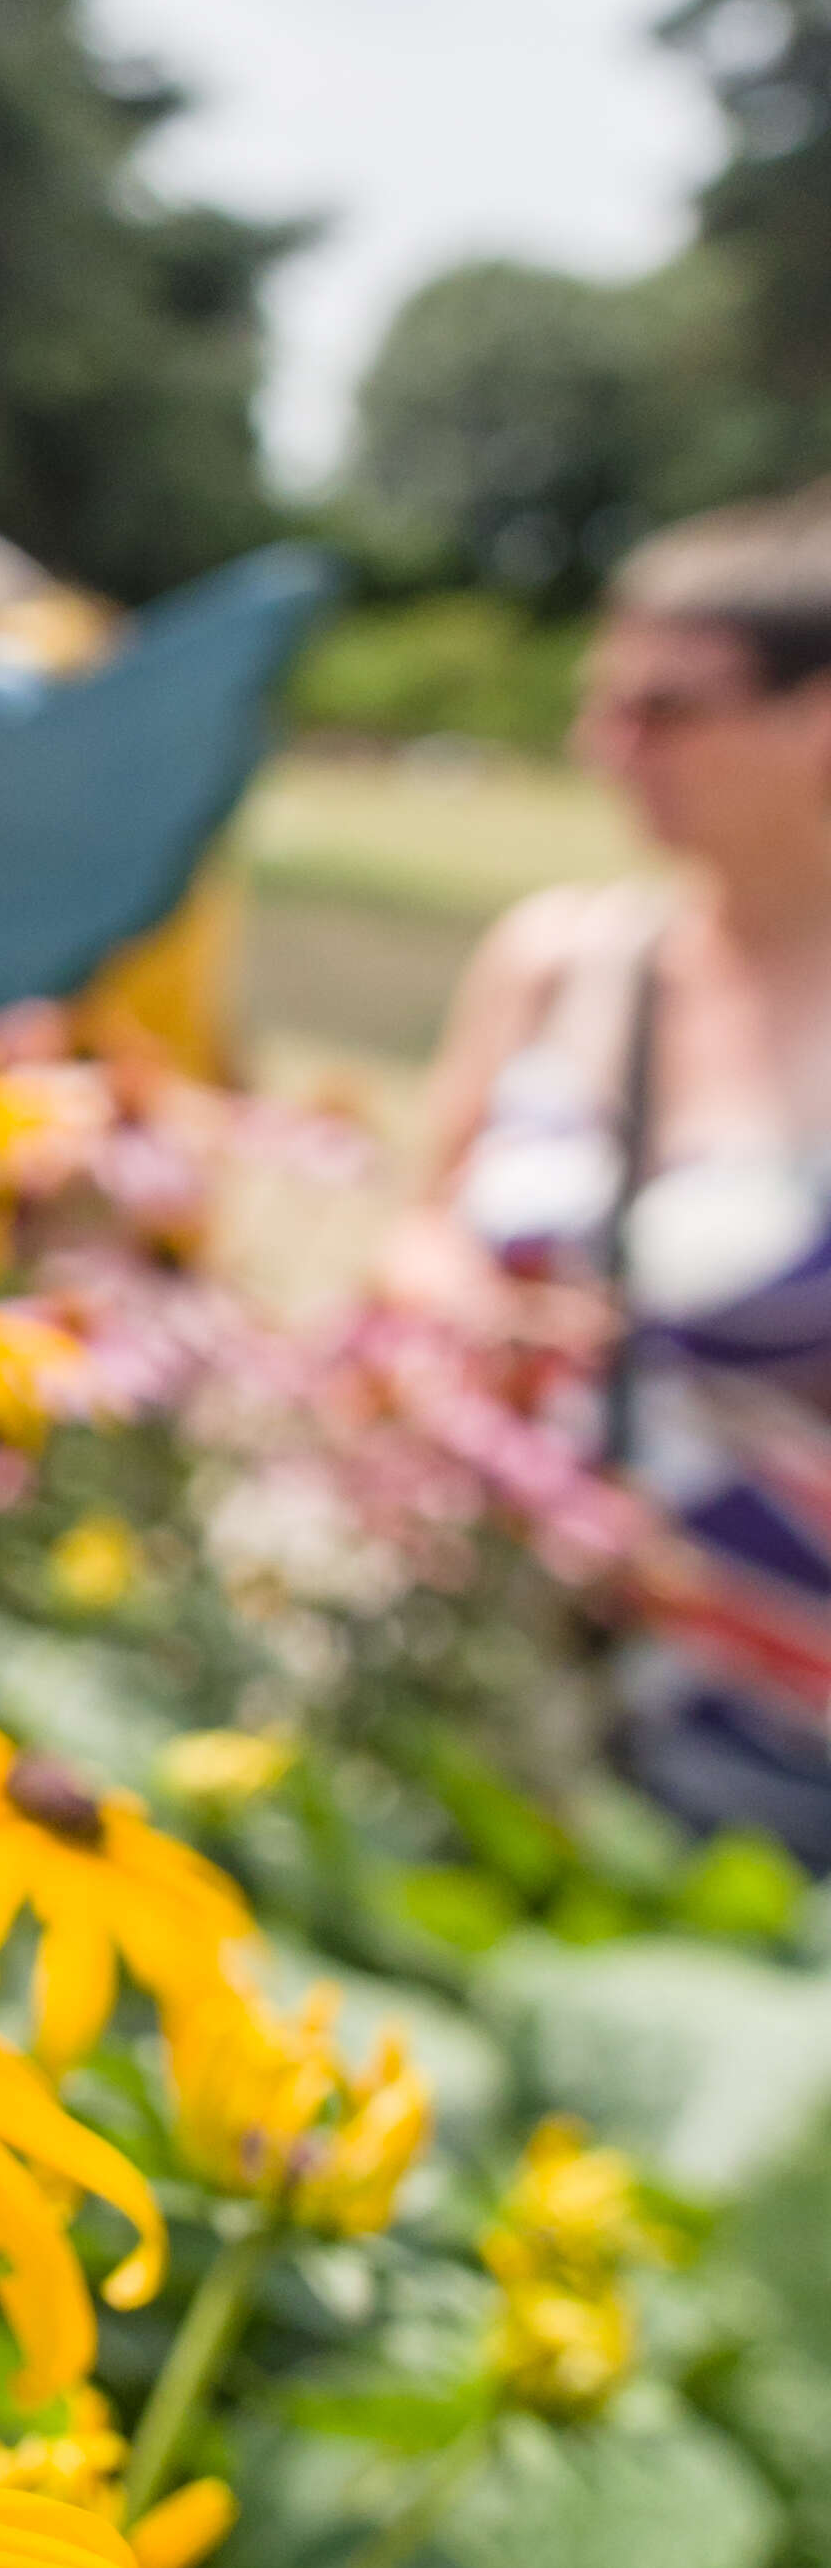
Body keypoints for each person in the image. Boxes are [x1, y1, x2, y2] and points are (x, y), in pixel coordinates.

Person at [384, 488, 831, 1867]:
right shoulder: (562, 960)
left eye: (668, 709)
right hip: (487, 1685)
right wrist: (462, 1304)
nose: (607, 747)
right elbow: (418, 1227)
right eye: (604, 703)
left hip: (783, 1747)